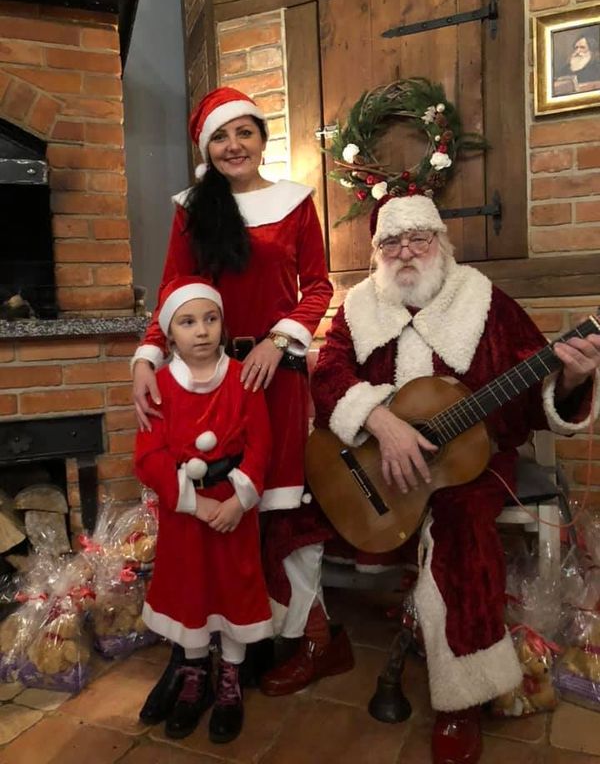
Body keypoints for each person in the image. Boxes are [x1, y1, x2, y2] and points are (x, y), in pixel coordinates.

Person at [310, 193, 600, 764]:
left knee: (461, 529)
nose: (405, 252)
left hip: (473, 465)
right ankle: (312, 643)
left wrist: (570, 381)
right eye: (391, 242)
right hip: (373, 461)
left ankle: (461, 695)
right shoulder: (358, 307)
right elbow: (328, 376)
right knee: (290, 508)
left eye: (418, 238)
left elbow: (534, 399)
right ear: (376, 252)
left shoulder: (486, 302)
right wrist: (380, 421)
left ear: (441, 243)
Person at [132, 86, 352, 702]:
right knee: (205, 500)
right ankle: (197, 645)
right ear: (208, 148)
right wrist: (148, 355)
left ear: (261, 138)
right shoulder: (191, 210)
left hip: (273, 376)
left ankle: (292, 635)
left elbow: (318, 287)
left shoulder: (295, 203)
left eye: (244, 133)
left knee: (280, 507)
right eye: (221, 137)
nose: (234, 146)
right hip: (204, 375)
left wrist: (278, 341)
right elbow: (173, 288)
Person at [135, 275, 273, 742]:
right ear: (169, 334)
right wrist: (194, 505)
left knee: (234, 588)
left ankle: (230, 677)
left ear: (222, 325)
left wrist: (237, 500)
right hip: (186, 516)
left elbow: (261, 444)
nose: (201, 331)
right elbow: (149, 457)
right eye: (188, 322)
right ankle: (195, 676)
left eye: (210, 319)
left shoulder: (242, 380)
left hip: (234, 509)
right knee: (189, 588)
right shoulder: (159, 387)